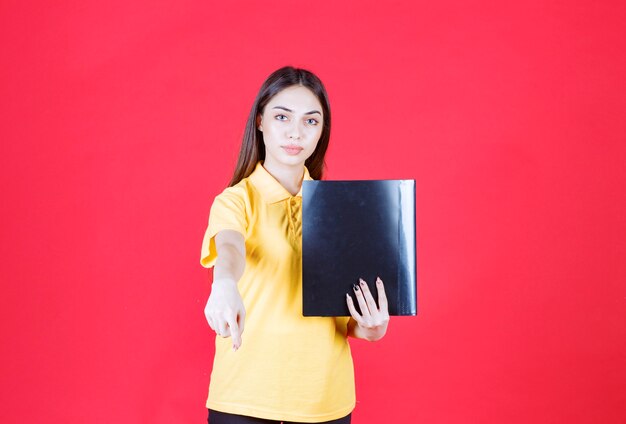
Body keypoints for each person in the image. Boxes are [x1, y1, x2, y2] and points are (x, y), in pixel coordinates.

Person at [200, 66, 390, 424]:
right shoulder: (236, 200)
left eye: (311, 121)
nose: (295, 132)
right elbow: (229, 247)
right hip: (245, 400)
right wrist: (223, 282)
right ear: (260, 121)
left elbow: (345, 318)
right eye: (282, 116)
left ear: (322, 131)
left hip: (324, 402)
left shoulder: (340, 208)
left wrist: (371, 327)